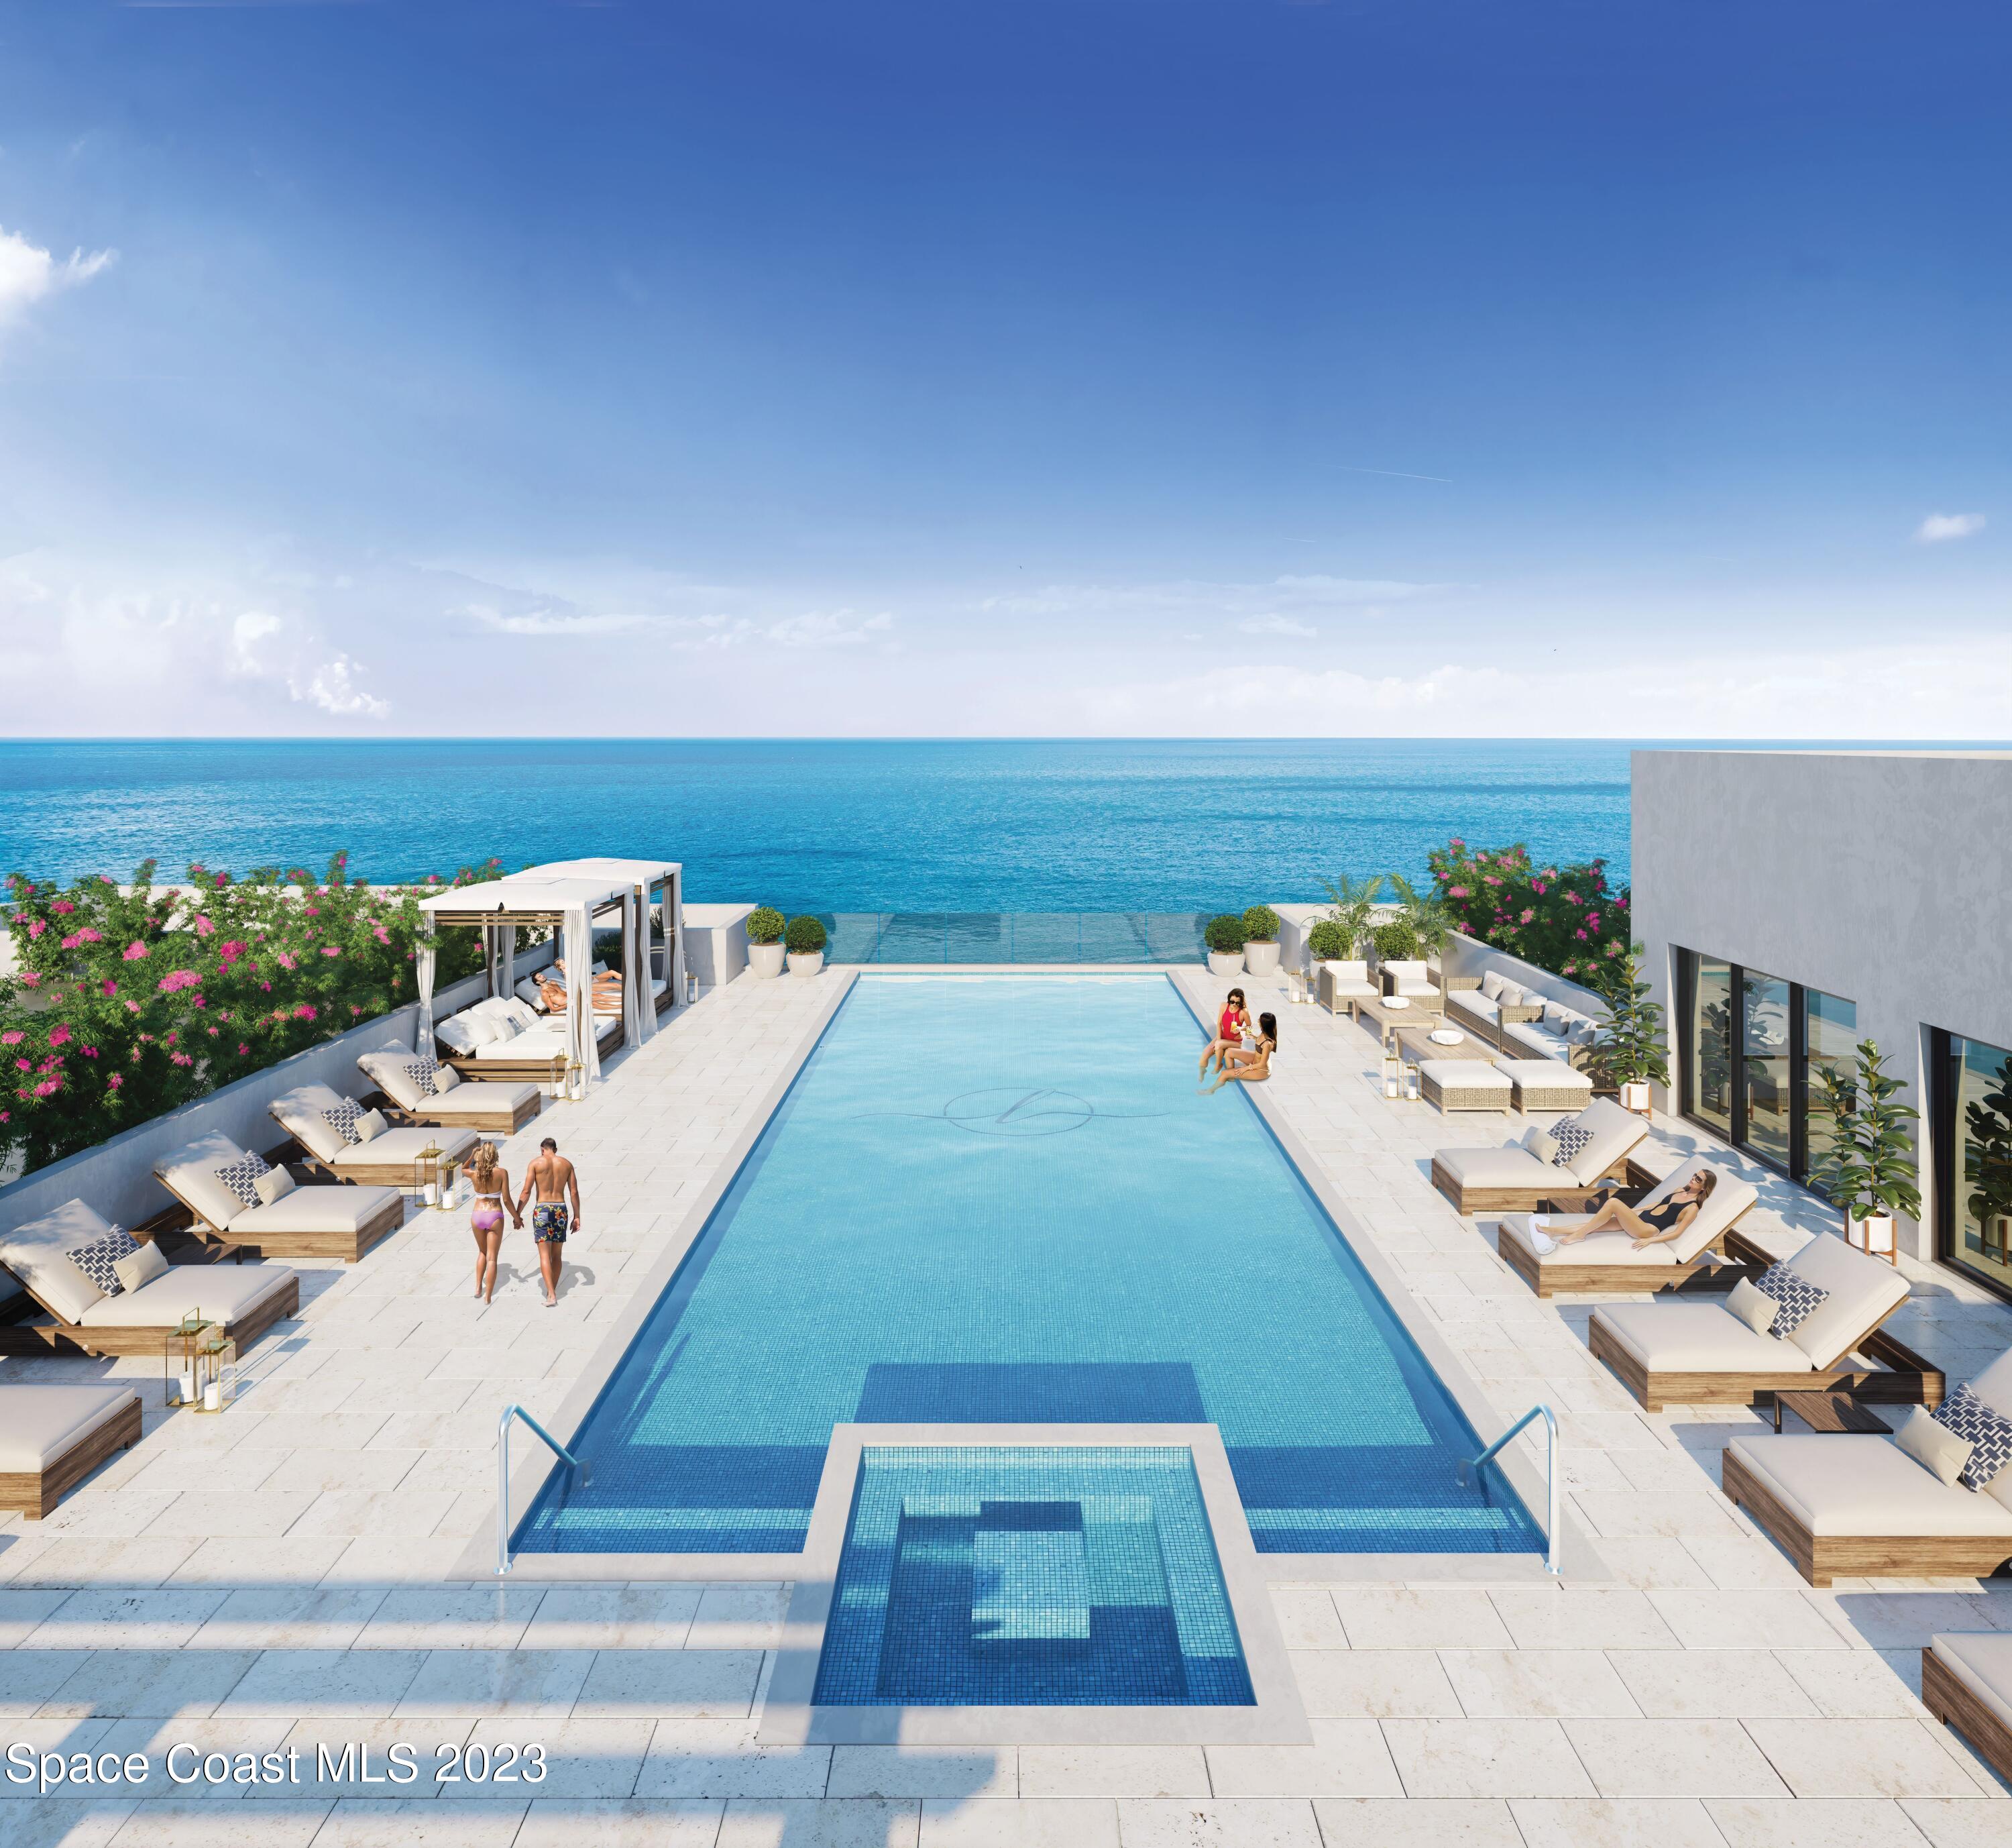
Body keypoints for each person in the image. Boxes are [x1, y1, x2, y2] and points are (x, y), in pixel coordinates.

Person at [1533, 1170, 1718, 1254]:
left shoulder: (1693, 1208)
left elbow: (1677, 1233)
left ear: (1704, 1188)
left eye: (1698, 1179)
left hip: (1647, 1229)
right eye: (1694, 1175)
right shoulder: (1680, 1190)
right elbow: (1657, 1203)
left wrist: (1650, 1240)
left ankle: (1579, 1236)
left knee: (1613, 1202)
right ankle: (1553, 1231)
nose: (1693, 1179)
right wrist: (1633, 1210)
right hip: (1640, 1220)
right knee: (1595, 1226)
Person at [516, 1136, 582, 1307]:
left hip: (543, 1209)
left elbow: (526, 1192)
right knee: (557, 1255)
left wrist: (517, 1214)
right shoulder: (566, 1164)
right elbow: (574, 1193)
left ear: (542, 1149)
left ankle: (551, 1295)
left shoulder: (536, 1164)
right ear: (556, 1149)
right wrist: (577, 1216)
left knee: (544, 1255)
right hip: (560, 1209)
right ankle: (551, 1291)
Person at [464, 1140, 520, 1304]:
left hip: (477, 1215)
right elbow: (507, 1200)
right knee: (492, 1258)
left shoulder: (475, 1174)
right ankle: (488, 1296)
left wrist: (472, 1156)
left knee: (482, 1252)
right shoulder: (502, 1173)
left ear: (481, 1156)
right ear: (495, 1155)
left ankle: (477, 1288)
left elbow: (463, 1169)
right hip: (494, 1215)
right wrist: (517, 1218)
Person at [1205, 1012, 1276, 1091]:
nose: (1258, 1021)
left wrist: (1245, 1069)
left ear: (1264, 1025)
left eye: (1259, 1021)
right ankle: (1232, 1077)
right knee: (1229, 1052)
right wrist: (1250, 1035)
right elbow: (1254, 1034)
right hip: (1255, 1059)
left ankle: (1210, 1091)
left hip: (1261, 1070)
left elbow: (1262, 1064)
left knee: (1224, 1073)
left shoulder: (1268, 1043)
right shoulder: (1264, 1033)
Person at [1200, 987, 1253, 1079]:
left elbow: (1250, 1029)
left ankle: (1218, 1066)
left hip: (1235, 1042)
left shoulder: (1243, 1012)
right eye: (1232, 1002)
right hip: (1223, 1037)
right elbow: (1219, 1024)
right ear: (1229, 1000)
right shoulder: (1224, 1006)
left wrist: (1240, 1028)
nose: (1234, 1005)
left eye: (1238, 1003)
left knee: (1219, 1045)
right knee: (1204, 1055)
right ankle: (1202, 1073)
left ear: (1241, 1002)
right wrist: (1219, 1040)